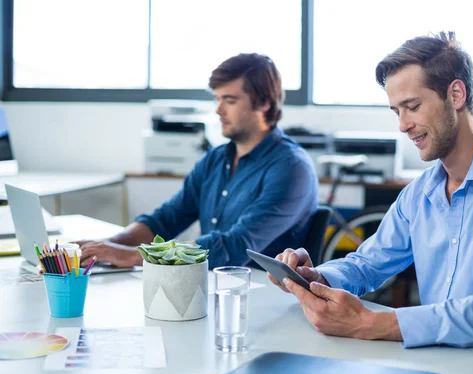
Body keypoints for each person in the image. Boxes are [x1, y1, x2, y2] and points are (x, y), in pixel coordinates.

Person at [270, 32, 473, 350]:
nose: (402, 125)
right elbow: (368, 263)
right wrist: (315, 277)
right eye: (396, 111)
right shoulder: (420, 194)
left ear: (455, 94)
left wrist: (372, 323)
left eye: (412, 107)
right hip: (442, 362)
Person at [77, 53, 318, 268]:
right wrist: (104, 247)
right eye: (217, 99)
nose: (218, 110)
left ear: (264, 103)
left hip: (259, 296)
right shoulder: (215, 158)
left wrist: (133, 256)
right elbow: (166, 219)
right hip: (209, 287)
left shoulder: (291, 167)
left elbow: (234, 246)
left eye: (230, 101)